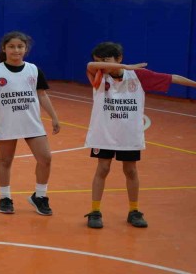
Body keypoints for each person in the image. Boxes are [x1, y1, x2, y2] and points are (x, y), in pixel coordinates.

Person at [83, 42, 196, 229]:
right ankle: (95, 211)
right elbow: (90, 66)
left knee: (131, 171)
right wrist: (123, 67)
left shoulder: (138, 76)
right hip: (104, 133)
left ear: (118, 58)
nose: (102, 65)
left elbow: (172, 78)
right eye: (99, 61)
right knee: (102, 169)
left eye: (106, 60)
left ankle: (134, 211)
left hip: (129, 134)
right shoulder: (98, 75)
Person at [0, 31, 60, 216]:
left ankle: (39, 196)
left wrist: (54, 116)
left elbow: (42, 94)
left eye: (20, 46)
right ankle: (5, 197)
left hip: (32, 122)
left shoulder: (33, 69)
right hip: (8, 122)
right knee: (5, 160)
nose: (16, 50)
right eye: (12, 46)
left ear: (25, 49)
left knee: (45, 159)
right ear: (4, 48)